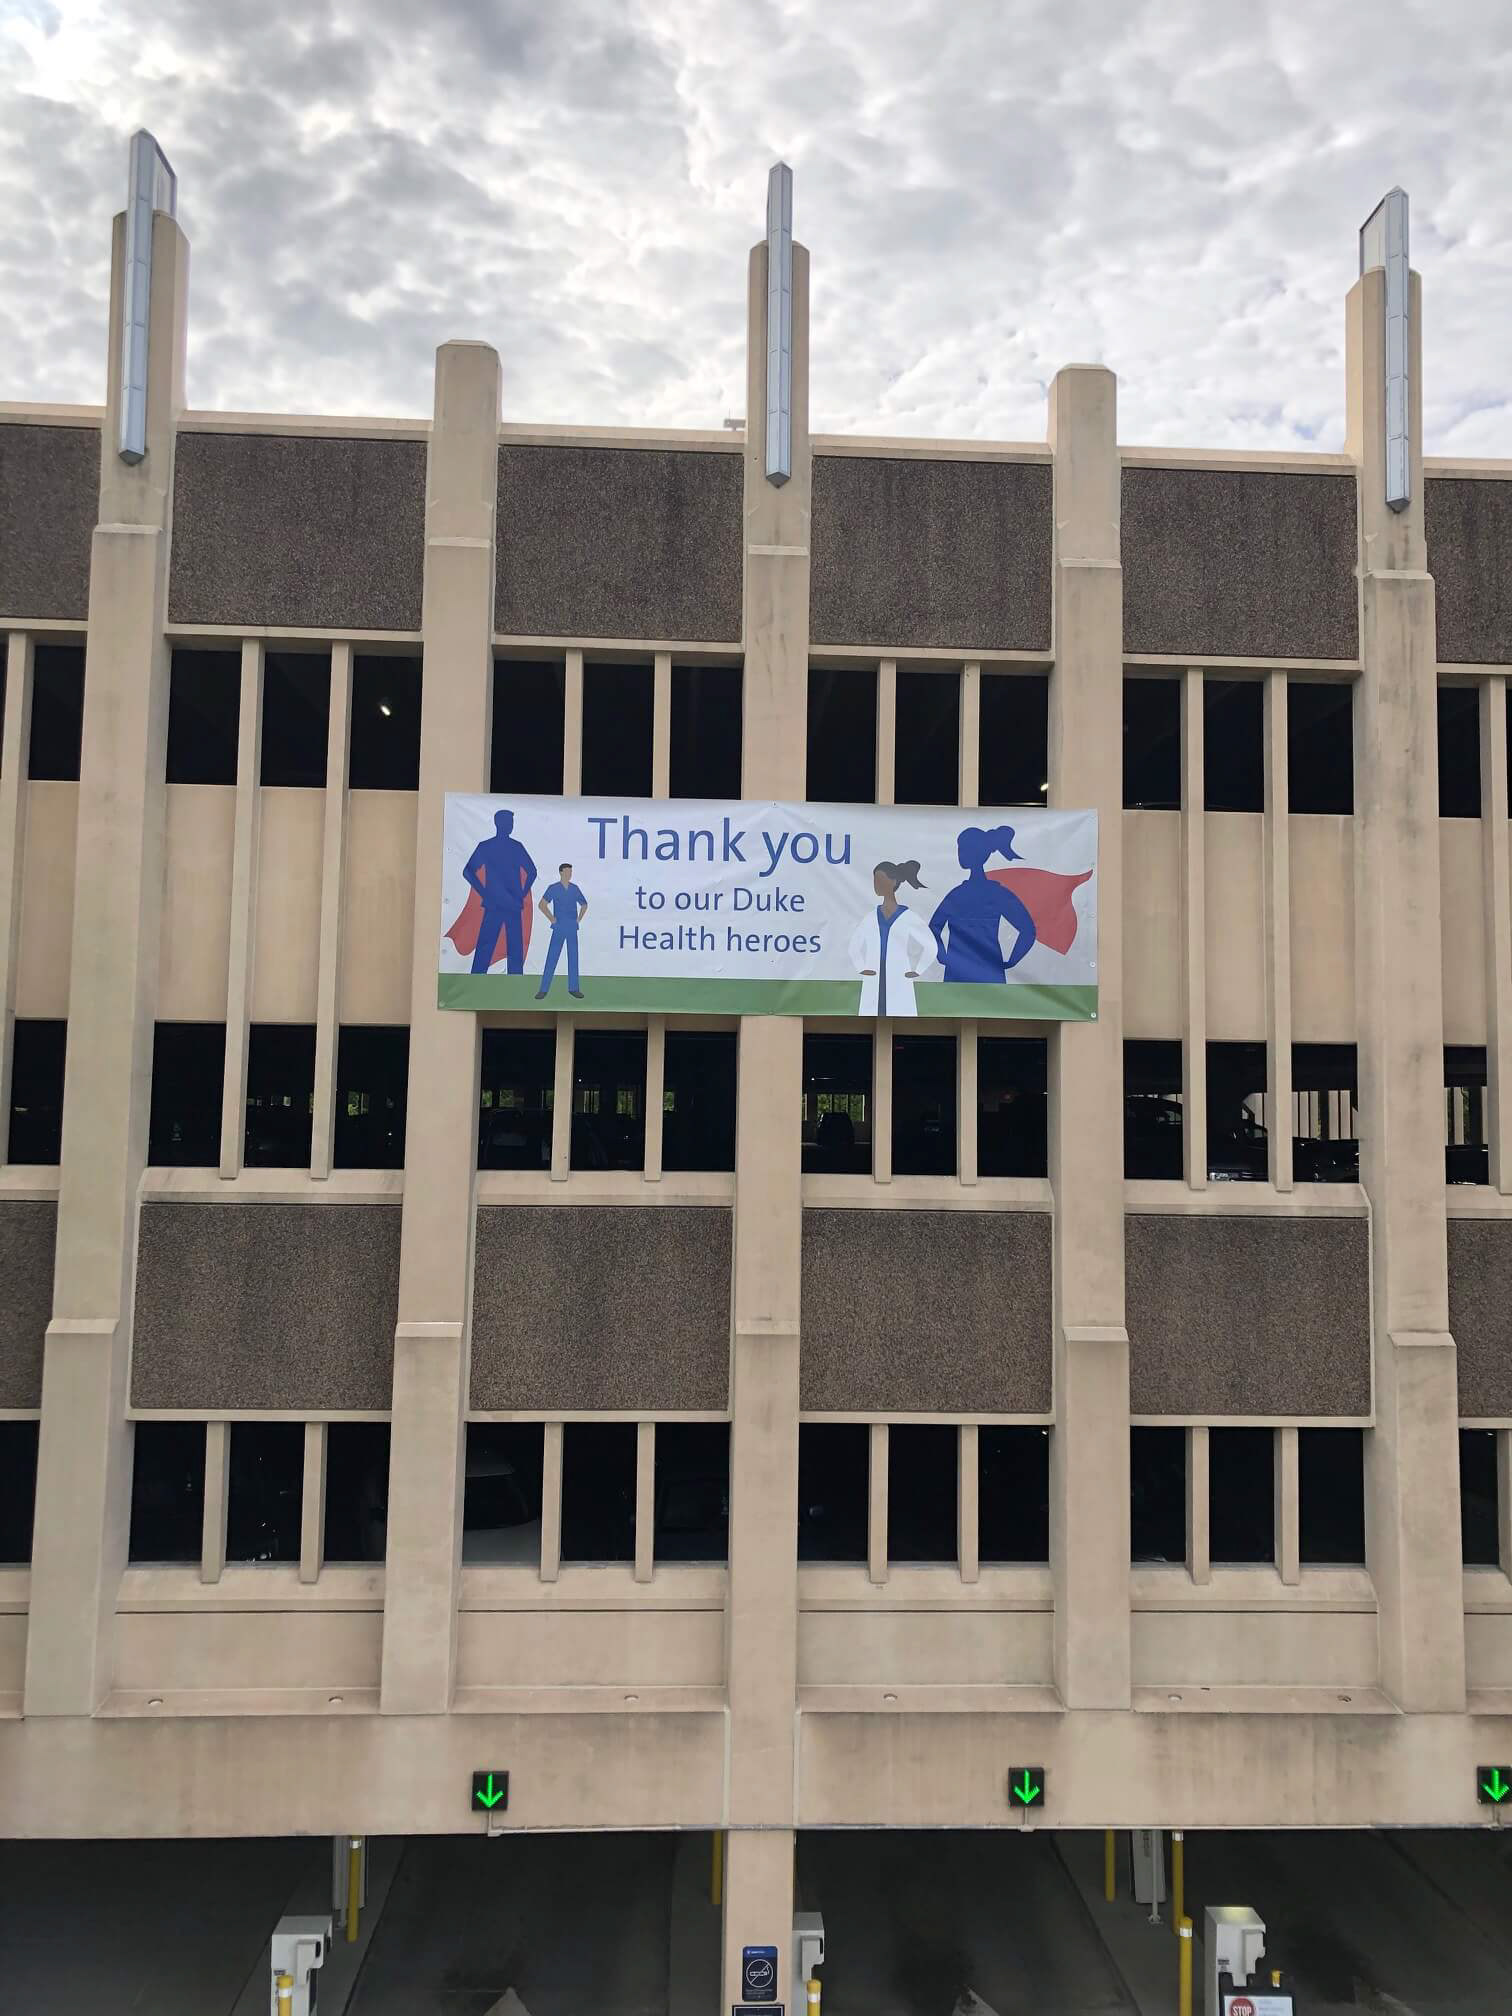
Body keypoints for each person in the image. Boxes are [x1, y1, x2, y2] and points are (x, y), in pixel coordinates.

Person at [929, 825, 1037, 983]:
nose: (960, 854)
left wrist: (943, 956)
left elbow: (934, 927)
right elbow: (1028, 930)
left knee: (959, 1008)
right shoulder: (997, 893)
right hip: (988, 972)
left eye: (962, 849)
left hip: (959, 973)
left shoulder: (958, 894)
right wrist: (1012, 961)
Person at [847, 859, 936, 1016]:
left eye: (880, 879)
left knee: (900, 1017)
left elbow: (930, 945)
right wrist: (861, 967)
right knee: (871, 1017)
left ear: (893, 881)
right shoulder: (871, 917)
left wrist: (918, 970)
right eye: (874, 880)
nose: (876, 884)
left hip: (899, 976)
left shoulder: (908, 917)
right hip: (874, 977)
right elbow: (854, 945)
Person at [462, 810, 537, 976]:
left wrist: (521, 894)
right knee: (490, 946)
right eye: (508, 822)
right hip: (498, 904)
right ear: (498, 823)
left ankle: (509, 984)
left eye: (511, 822)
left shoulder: (513, 847)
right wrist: (485, 892)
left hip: (506, 904)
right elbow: (468, 871)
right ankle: (476, 982)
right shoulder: (488, 846)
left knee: (512, 949)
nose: (510, 825)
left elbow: (532, 872)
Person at [535, 863, 588, 1000]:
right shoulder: (553, 888)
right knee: (552, 957)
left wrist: (578, 920)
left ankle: (574, 988)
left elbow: (584, 904)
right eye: (567, 872)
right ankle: (543, 989)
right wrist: (552, 919)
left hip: (571, 927)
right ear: (561, 873)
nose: (569, 874)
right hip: (559, 927)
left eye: (571, 872)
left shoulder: (574, 889)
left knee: (573, 957)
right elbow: (542, 905)